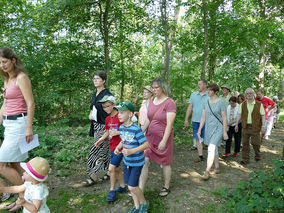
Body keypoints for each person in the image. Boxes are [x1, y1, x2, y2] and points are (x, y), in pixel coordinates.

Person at [0, 47, 35, 211]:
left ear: (13, 60)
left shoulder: (22, 78)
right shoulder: (7, 80)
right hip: (9, 125)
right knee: (16, 164)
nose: (2, 65)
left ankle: (25, 195)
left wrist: (29, 127)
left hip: (20, 126)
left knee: (1, 165)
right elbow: (5, 105)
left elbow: (30, 103)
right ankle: (27, 196)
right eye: (0, 62)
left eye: (4, 61)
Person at [139, 77, 176, 197]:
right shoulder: (151, 101)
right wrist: (139, 133)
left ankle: (166, 186)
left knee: (165, 162)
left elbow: (169, 124)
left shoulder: (169, 102)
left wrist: (164, 141)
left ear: (163, 87)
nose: (154, 90)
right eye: (153, 88)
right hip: (150, 137)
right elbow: (148, 119)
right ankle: (140, 189)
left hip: (163, 138)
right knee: (144, 159)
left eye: (156, 87)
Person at [114, 102, 149, 213]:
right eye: (118, 112)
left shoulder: (136, 129)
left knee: (133, 187)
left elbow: (146, 144)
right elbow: (123, 140)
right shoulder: (122, 127)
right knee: (129, 186)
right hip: (127, 162)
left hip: (137, 162)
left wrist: (131, 151)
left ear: (130, 114)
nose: (119, 115)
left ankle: (144, 203)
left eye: (122, 112)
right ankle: (137, 207)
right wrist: (118, 147)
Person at [82, 70, 112, 186]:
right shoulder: (95, 94)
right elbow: (93, 108)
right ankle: (110, 171)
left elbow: (111, 112)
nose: (95, 81)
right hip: (95, 126)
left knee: (94, 150)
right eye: (94, 79)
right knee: (104, 150)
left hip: (105, 126)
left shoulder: (108, 95)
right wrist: (90, 114)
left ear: (103, 81)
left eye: (98, 79)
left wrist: (110, 128)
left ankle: (93, 176)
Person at [94, 95, 126, 202]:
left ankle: (112, 191)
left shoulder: (121, 116)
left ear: (114, 105)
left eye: (108, 106)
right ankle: (122, 187)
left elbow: (129, 130)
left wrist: (118, 132)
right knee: (116, 168)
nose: (106, 109)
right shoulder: (108, 119)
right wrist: (101, 139)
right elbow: (107, 132)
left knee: (111, 168)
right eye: (104, 107)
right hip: (112, 146)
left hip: (121, 147)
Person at [197, 83, 228, 180]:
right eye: (208, 90)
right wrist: (199, 129)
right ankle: (217, 167)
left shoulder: (221, 102)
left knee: (211, 147)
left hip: (218, 128)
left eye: (210, 90)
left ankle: (207, 171)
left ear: (216, 92)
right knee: (214, 148)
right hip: (208, 128)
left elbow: (224, 117)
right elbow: (203, 117)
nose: (208, 91)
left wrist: (224, 132)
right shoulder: (206, 102)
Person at [235, 88, 265, 165]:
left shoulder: (259, 104)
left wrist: (263, 126)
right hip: (245, 127)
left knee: (255, 143)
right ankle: (245, 159)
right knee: (245, 143)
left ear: (253, 94)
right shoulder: (242, 104)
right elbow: (239, 115)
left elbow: (263, 116)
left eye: (250, 93)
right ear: (245, 95)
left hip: (255, 126)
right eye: (247, 93)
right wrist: (236, 124)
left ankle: (257, 154)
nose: (249, 95)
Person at [184, 79, 209, 161]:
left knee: (207, 139)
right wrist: (186, 119)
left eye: (200, 84)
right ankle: (200, 155)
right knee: (197, 139)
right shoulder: (193, 95)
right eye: (198, 84)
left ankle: (212, 155)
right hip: (195, 121)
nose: (198, 86)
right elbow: (190, 107)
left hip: (207, 121)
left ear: (205, 85)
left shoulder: (209, 95)